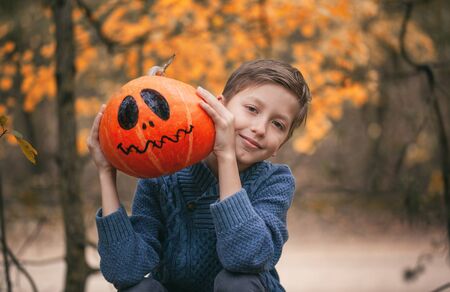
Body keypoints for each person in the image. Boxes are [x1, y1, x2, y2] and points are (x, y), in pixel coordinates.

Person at [87, 59, 311, 292]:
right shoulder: (164, 175)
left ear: (280, 145)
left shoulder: (275, 182)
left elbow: (246, 257)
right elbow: (123, 271)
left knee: (236, 282)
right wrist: (105, 170)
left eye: (278, 124)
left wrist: (225, 156)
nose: (260, 128)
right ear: (218, 106)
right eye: (252, 109)